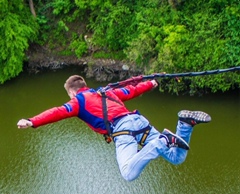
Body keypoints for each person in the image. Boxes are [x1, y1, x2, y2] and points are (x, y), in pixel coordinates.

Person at [17, 75, 211, 181]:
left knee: (128, 173)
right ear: (85, 84)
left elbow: (57, 112)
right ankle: (184, 124)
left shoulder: (78, 101)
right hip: (139, 122)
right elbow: (131, 90)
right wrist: (151, 83)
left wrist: (32, 121)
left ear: (72, 92)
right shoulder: (106, 93)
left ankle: (162, 141)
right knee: (176, 157)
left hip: (123, 130)